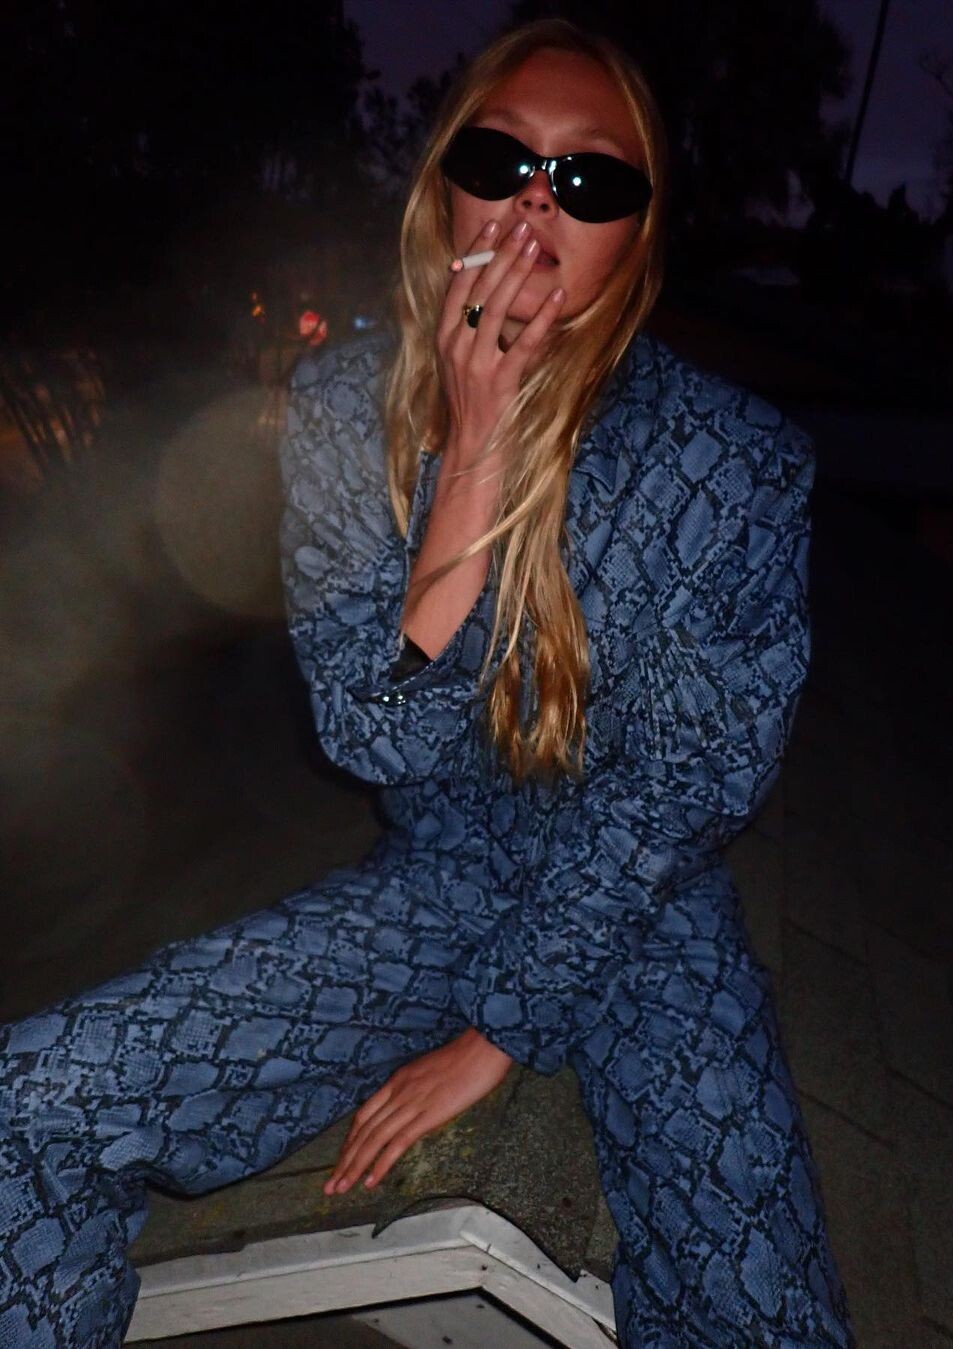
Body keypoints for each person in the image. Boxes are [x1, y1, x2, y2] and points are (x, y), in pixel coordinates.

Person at [0, 18, 854, 1348]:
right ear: (442, 186)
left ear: (639, 233)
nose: (534, 203)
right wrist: (473, 452)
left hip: (646, 915)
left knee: (760, 1308)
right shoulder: (347, 406)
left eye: (589, 179)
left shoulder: (735, 462)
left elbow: (689, 782)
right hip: (434, 889)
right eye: (500, 161)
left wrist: (500, 1030)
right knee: (34, 1102)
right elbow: (372, 736)